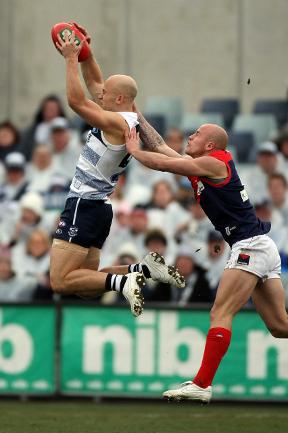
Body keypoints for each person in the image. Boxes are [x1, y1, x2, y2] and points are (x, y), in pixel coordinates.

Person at [125, 122, 288, 402]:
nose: (190, 135)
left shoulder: (216, 163)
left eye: (197, 134)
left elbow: (163, 163)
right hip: (261, 246)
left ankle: (201, 384)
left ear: (210, 145)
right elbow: (163, 147)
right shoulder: (203, 165)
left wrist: (132, 151)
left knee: (220, 313)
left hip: (250, 245)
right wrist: (137, 118)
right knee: (279, 327)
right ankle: (201, 384)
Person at [49, 22, 184, 317]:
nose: (100, 94)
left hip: (82, 206)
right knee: (84, 286)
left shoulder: (115, 122)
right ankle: (141, 269)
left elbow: (75, 100)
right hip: (100, 208)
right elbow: (96, 81)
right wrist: (85, 51)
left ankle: (123, 282)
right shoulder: (125, 115)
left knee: (59, 281)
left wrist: (71, 58)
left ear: (119, 99)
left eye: (106, 93)